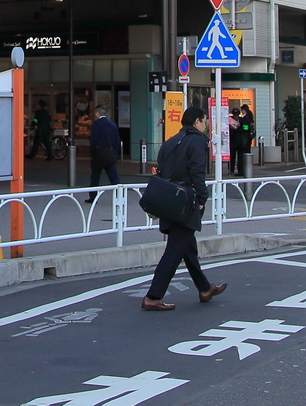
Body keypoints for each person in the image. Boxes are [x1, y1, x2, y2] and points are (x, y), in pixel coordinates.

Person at [141, 112, 227, 311]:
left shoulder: (170, 142)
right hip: (186, 202)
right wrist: (202, 198)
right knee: (175, 250)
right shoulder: (196, 141)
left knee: (187, 247)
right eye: (204, 121)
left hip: (168, 200)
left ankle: (205, 288)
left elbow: (161, 171)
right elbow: (197, 172)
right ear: (197, 121)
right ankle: (153, 297)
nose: (205, 126)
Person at [86, 105, 122, 191]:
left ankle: (93, 197)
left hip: (99, 153)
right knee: (114, 177)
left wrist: (92, 152)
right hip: (110, 153)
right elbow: (117, 140)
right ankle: (120, 197)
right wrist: (115, 153)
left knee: (95, 176)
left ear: (97, 113)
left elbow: (94, 139)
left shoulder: (97, 124)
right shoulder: (113, 125)